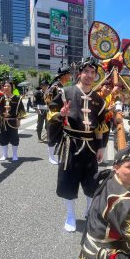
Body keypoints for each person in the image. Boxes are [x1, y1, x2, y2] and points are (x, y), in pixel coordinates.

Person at [47, 57, 106, 232]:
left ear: (96, 76)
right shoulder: (66, 92)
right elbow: (51, 114)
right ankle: (70, 215)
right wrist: (61, 114)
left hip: (90, 145)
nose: (89, 75)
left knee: (91, 181)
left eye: (93, 72)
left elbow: (101, 125)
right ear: (79, 73)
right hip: (70, 144)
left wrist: (102, 147)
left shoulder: (99, 100)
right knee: (68, 181)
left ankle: (89, 212)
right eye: (86, 71)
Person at [0, 81, 26, 161]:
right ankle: (5, 155)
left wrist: (19, 120)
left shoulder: (17, 98)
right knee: (2, 137)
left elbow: (21, 111)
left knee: (14, 138)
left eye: (8, 86)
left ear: (12, 88)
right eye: (5, 86)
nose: (6, 88)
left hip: (13, 122)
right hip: (2, 121)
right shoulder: (0, 98)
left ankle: (15, 155)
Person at [45, 66, 71, 164]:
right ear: (64, 75)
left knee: (59, 135)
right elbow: (48, 100)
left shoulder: (59, 86)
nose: (70, 76)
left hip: (61, 114)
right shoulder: (56, 86)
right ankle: (51, 157)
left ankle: (57, 155)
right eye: (68, 74)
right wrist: (57, 111)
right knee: (52, 136)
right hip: (54, 115)